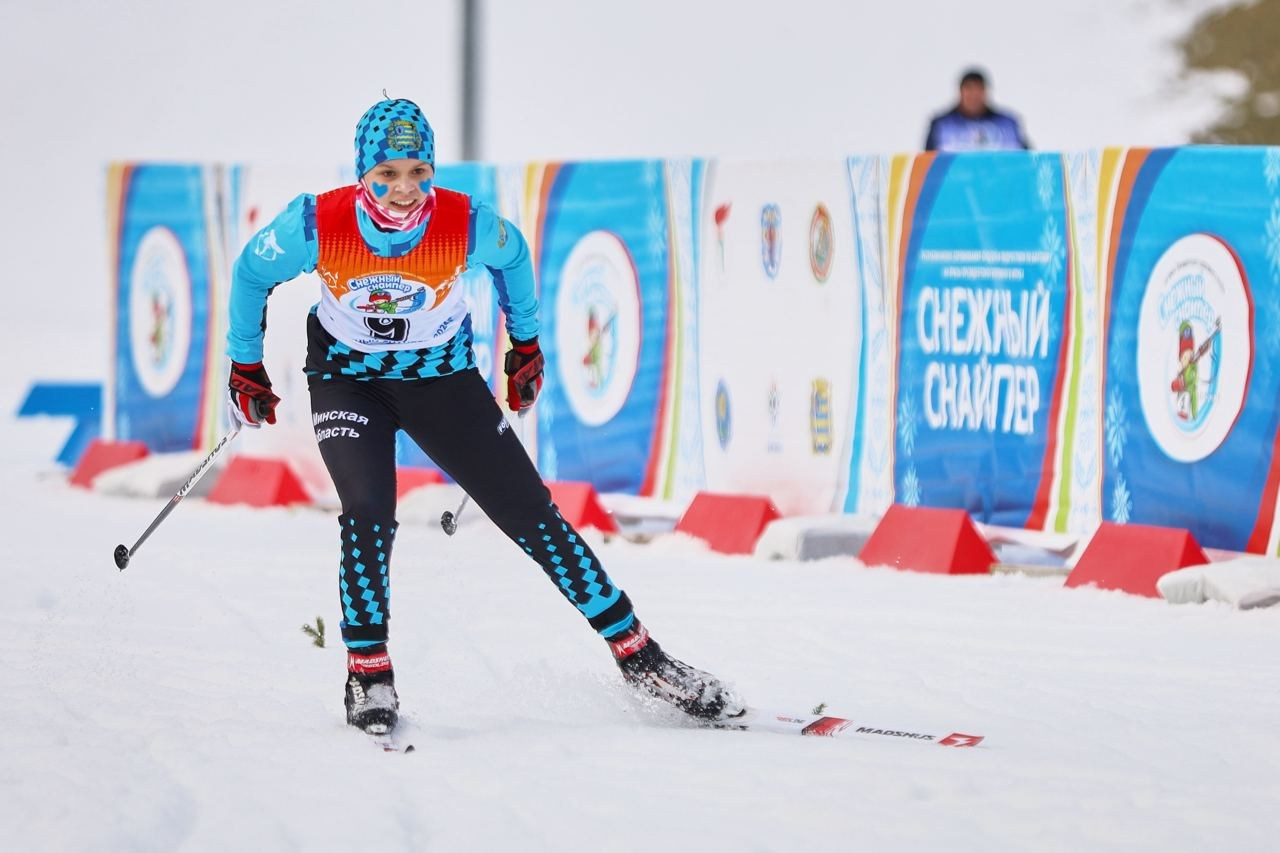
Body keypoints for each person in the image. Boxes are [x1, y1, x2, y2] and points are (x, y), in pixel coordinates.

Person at [225, 97, 743, 736]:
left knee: (530, 511)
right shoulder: (316, 222)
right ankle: (369, 675)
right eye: (387, 175)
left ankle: (642, 658)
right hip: (346, 381)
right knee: (366, 511)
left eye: (418, 171)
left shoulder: (464, 223)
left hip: (439, 381)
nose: (404, 190)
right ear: (363, 173)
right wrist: (245, 363)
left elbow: (515, 259)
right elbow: (252, 274)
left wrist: (524, 343)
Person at [924, 68, 1030, 152]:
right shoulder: (942, 125)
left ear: (985, 92)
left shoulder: (1007, 123)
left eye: (978, 90)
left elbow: (1025, 158)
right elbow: (929, 162)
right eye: (969, 89)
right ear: (960, 92)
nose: (974, 96)